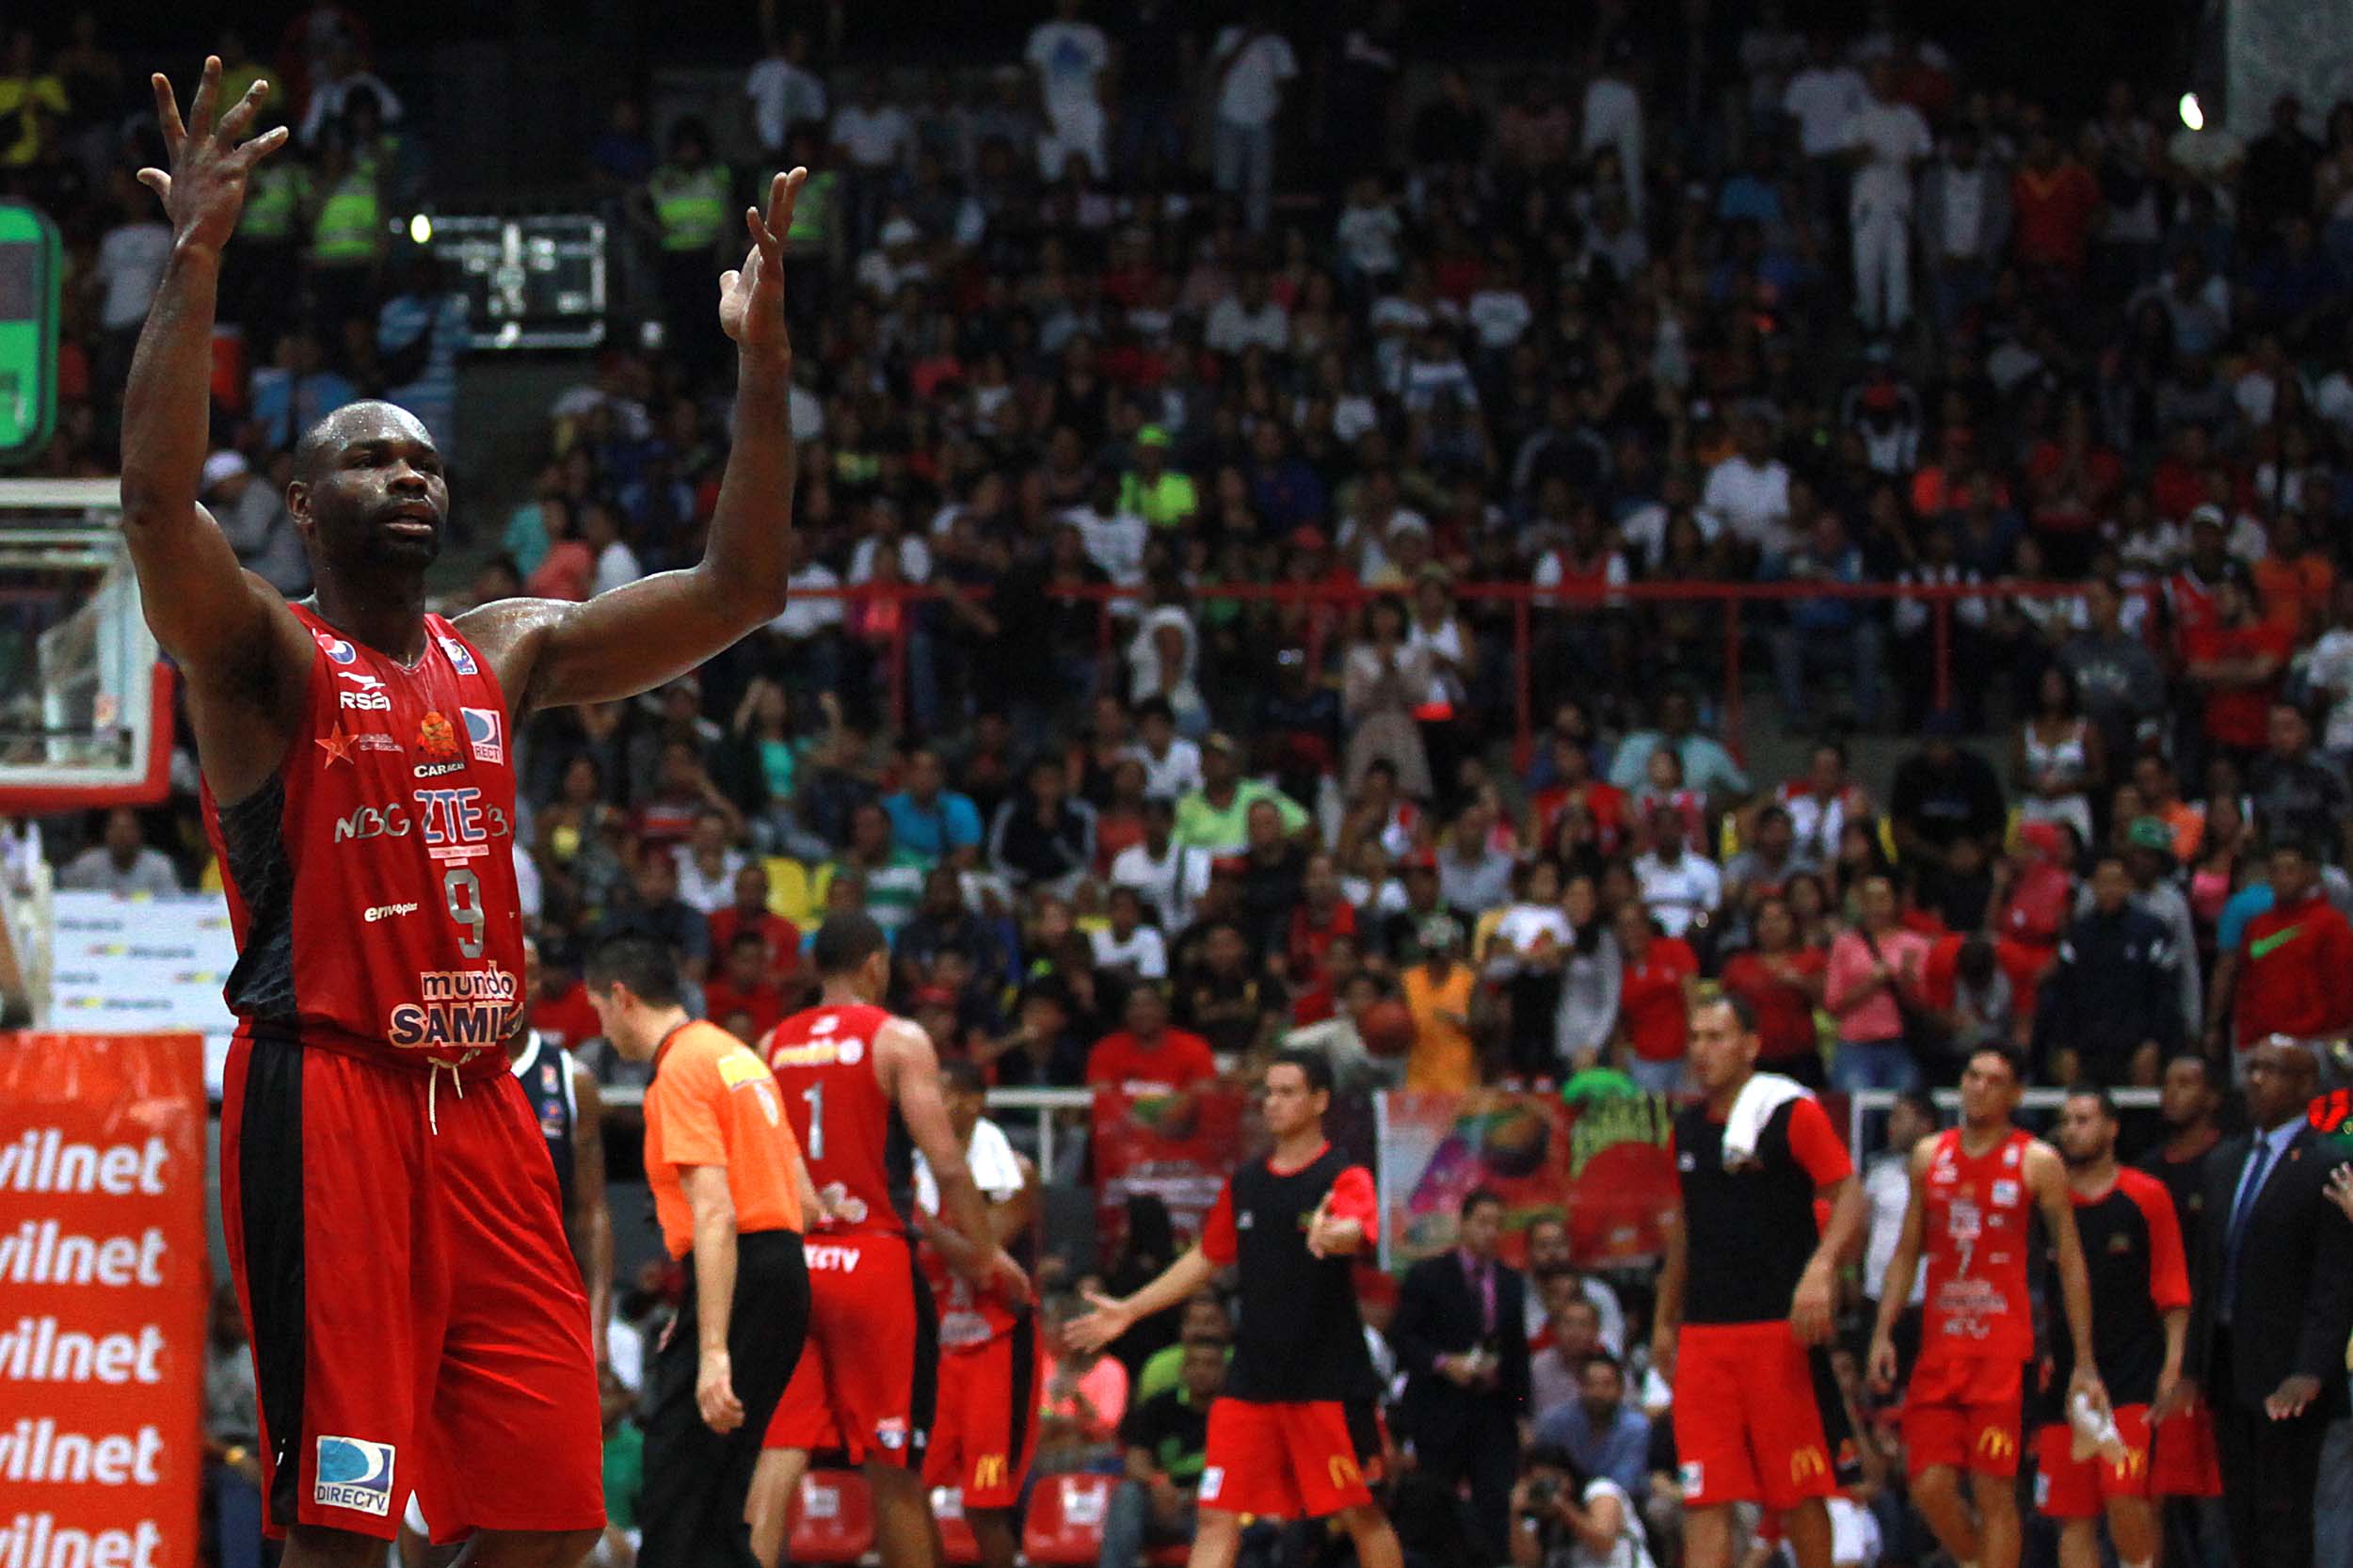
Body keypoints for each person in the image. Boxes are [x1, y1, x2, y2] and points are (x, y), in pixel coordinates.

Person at [125, 54, 804, 1565]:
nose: (410, 472)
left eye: (424, 456)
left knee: (551, 1516)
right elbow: (156, 507)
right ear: (303, 506)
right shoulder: (263, 655)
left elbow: (741, 589)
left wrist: (760, 370)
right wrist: (198, 258)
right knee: (343, 1531)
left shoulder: (508, 648)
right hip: (334, 1095)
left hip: (491, 1103)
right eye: (369, 455)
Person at [747, 914, 1029, 1568]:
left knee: (779, 1451)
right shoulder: (897, 1038)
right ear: (876, 964)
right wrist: (987, 1255)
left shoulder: (771, 1043)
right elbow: (949, 1163)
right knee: (893, 1463)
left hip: (793, 1260)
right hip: (870, 1259)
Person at [1065, 1050, 1406, 1568]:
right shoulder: (1246, 1182)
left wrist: (1334, 1233)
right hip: (1250, 1380)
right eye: (1268, 1092)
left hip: (1326, 1381)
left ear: (1319, 1102)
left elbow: (1355, 1229)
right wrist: (1129, 1309)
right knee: (1217, 1515)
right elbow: (1207, 1256)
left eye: (1288, 1092)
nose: (1273, 1103)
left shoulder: (1343, 1173)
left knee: (1361, 1514)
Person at [587, 935, 817, 1568]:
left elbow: (716, 1212)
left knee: (677, 1479)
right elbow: (807, 1197)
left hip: (742, 1271)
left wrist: (713, 1350)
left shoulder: (680, 1070)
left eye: (600, 1014)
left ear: (621, 997)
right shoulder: (735, 1055)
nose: (604, 1034)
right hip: (779, 1271)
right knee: (717, 1489)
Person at [1868, 1046, 2107, 1568]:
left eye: (1993, 1080)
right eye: (1972, 1076)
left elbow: (2069, 1262)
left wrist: (2084, 1358)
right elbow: (1907, 1251)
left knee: (1995, 1492)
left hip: (2002, 1352)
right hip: (1939, 1347)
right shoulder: (1930, 1155)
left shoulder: (2037, 1161)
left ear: (2016, 1094)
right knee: (1927, 1484)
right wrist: (1883, 1330)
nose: (1978, 1088)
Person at [1650, 993, 1866, 1568]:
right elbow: (1686, 1232)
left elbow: (1849, 1192)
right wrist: (1663, 1321)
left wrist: (1822, 1270)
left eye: (1716, 1037)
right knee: (1704, 1495)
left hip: (1779, 1332)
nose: (1701, 1051)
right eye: (1694, 1038)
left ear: (1751, 1046)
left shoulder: (1791, 1112)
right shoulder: (1688, 1129)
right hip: (1704, 1337)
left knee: (1799, 1492)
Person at [2181, 1038, 2353, 1568]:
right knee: (2238, 1513)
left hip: (2289, 1369)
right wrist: (2191, 1365)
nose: (2255, 1079)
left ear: (2306, 1087)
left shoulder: (2330, 1165)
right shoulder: (2222, 1162)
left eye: (2272, 1070)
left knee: (2286, 1512)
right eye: (2251, 1067)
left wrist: (2311, 1369)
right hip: (2229, 1360)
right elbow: (2205, 1275)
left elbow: (2335, 1283)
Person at [2035, 1087, 2190, 1568]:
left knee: (2126, 1496)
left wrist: (2173, 1365)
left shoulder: (2146, 1195)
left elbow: (2172, 1285)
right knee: (2072, 1514)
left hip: (2132, 1373)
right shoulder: (2047, 1202)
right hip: (2063, 1378)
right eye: (2065, 1120)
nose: (2071, 1130)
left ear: (2112, 1127)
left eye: (2083, 1119)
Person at [916, 1060, 1041, 1568]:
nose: (928, 1105)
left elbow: (980, 1256)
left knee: (984, 1505)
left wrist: (917, 1220)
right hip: (936, 1347)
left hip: (997, 1347)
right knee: (909, 1488)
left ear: (974, 1103)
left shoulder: (1017, 1171)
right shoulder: (914, 1166)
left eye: (941, 1093)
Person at [1393, 1189, 1532, 1560]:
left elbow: (1517, 1355)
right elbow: (1404, 1337)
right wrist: (1443, 1363)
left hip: (1492, 1411)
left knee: (1493, 1503)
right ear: (1464, 1223)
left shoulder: (1510, 1282)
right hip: (1440, 1407)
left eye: (1497, 1226)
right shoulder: (1428, 1276)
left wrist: (1522, 1411)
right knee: (1434, 1501)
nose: (1490, 1232)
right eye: (1483, 1223)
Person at [506, 934, 614, 1368]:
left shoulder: (572, 1079)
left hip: (545, 1293)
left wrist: (599, 1322)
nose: (516, 986)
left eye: (528, 974)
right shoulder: (448, 1070)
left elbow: (592, 1212)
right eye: (505, 974)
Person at [1102, 1336, 1226, 1568]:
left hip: (1209, 1509)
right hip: (1162, 1505)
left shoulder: (1236, 1414)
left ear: (1224, 1371)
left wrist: (1196, 1497)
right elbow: (1134, 1462)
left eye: (1210, 1364)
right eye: (1194, 1363)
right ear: (1183, 1369)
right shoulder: (1159, 1407)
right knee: (1128, 1494)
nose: (1201, 1370)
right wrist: (1158, 1482)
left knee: (1219, 1511)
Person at [1507, 1441, 1656, 1568]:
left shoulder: (1600, 1490)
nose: (1548, 1490)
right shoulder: (1537, 1513)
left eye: (1553, 1481)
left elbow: (1604, 1542)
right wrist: (1516, 1513)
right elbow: (1527, 1563)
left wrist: (1562, 1507)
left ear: (1568, 1476)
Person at [57, 806, 184, 894]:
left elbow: (173, 905)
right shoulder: (87, 864)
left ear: (140, 833)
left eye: (128, 829)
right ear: (106, 833)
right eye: (116, 829)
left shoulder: (159, 867)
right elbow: (68, 899)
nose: (121, 836)